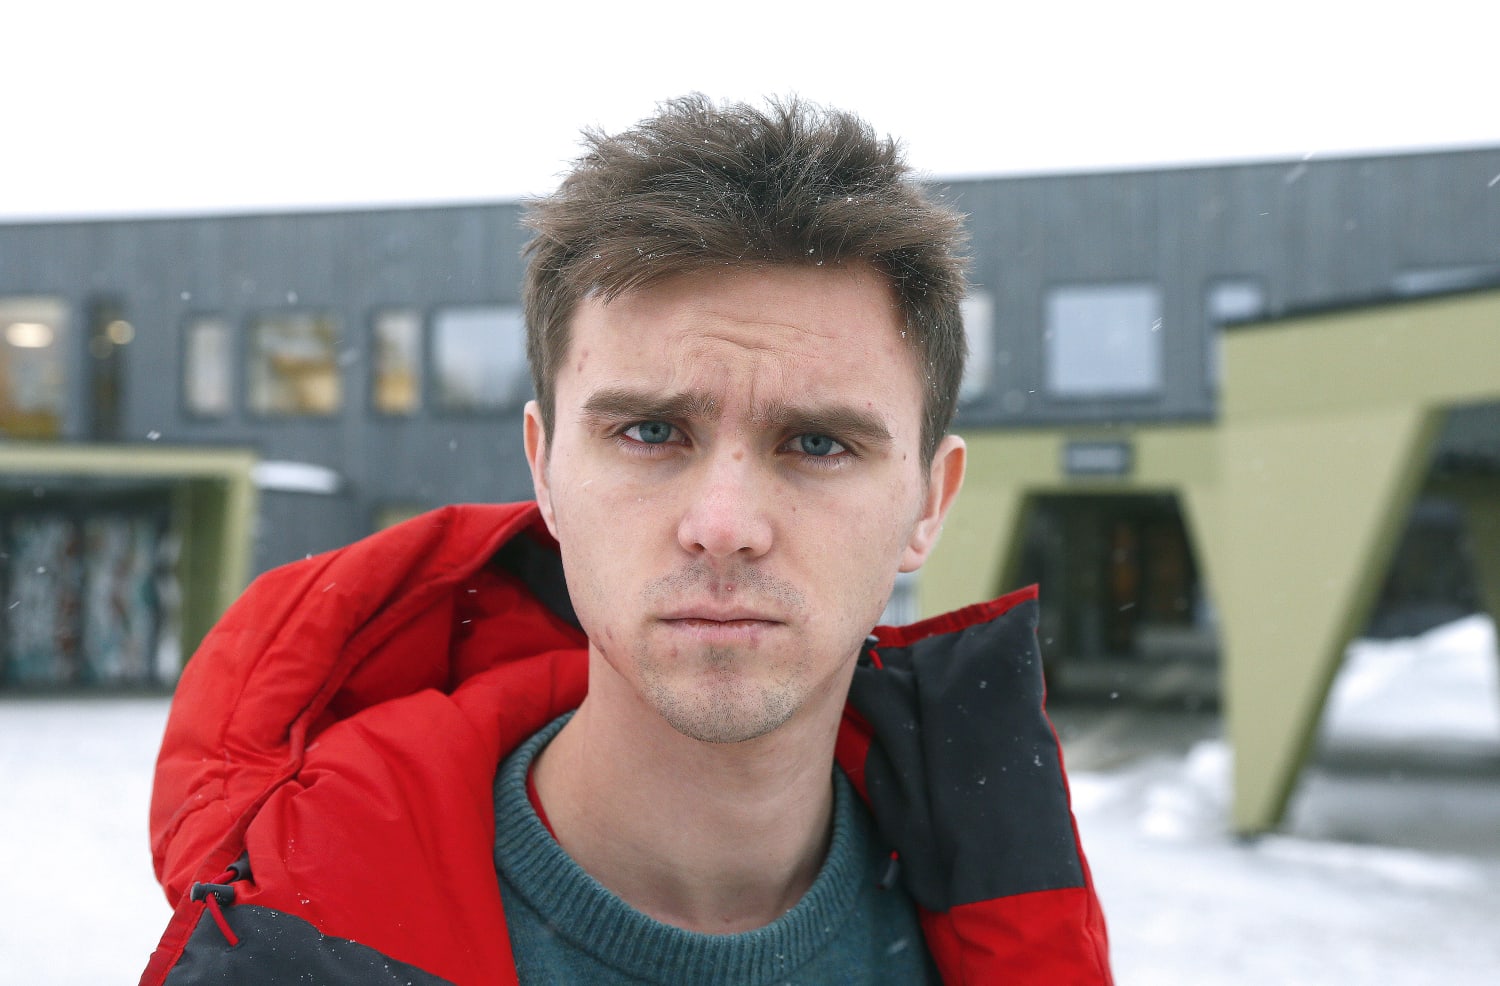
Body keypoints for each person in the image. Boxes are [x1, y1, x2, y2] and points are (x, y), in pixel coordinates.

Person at [141, 95, 1112, 985]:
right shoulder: (304, 937)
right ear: (544, 471)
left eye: (818, 443)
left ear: (930, 502)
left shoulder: (1009, 924)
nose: (723, 527)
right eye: (650, 432)